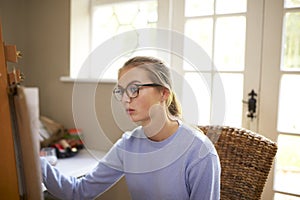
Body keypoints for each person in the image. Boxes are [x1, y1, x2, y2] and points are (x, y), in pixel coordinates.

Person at [40, 56, 221, 200]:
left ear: (164, 93)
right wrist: (34, 161)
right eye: (121, 91)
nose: (126, 99)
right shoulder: (129, 144)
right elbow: (78, 192)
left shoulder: (200, 152)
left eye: (134, 89)